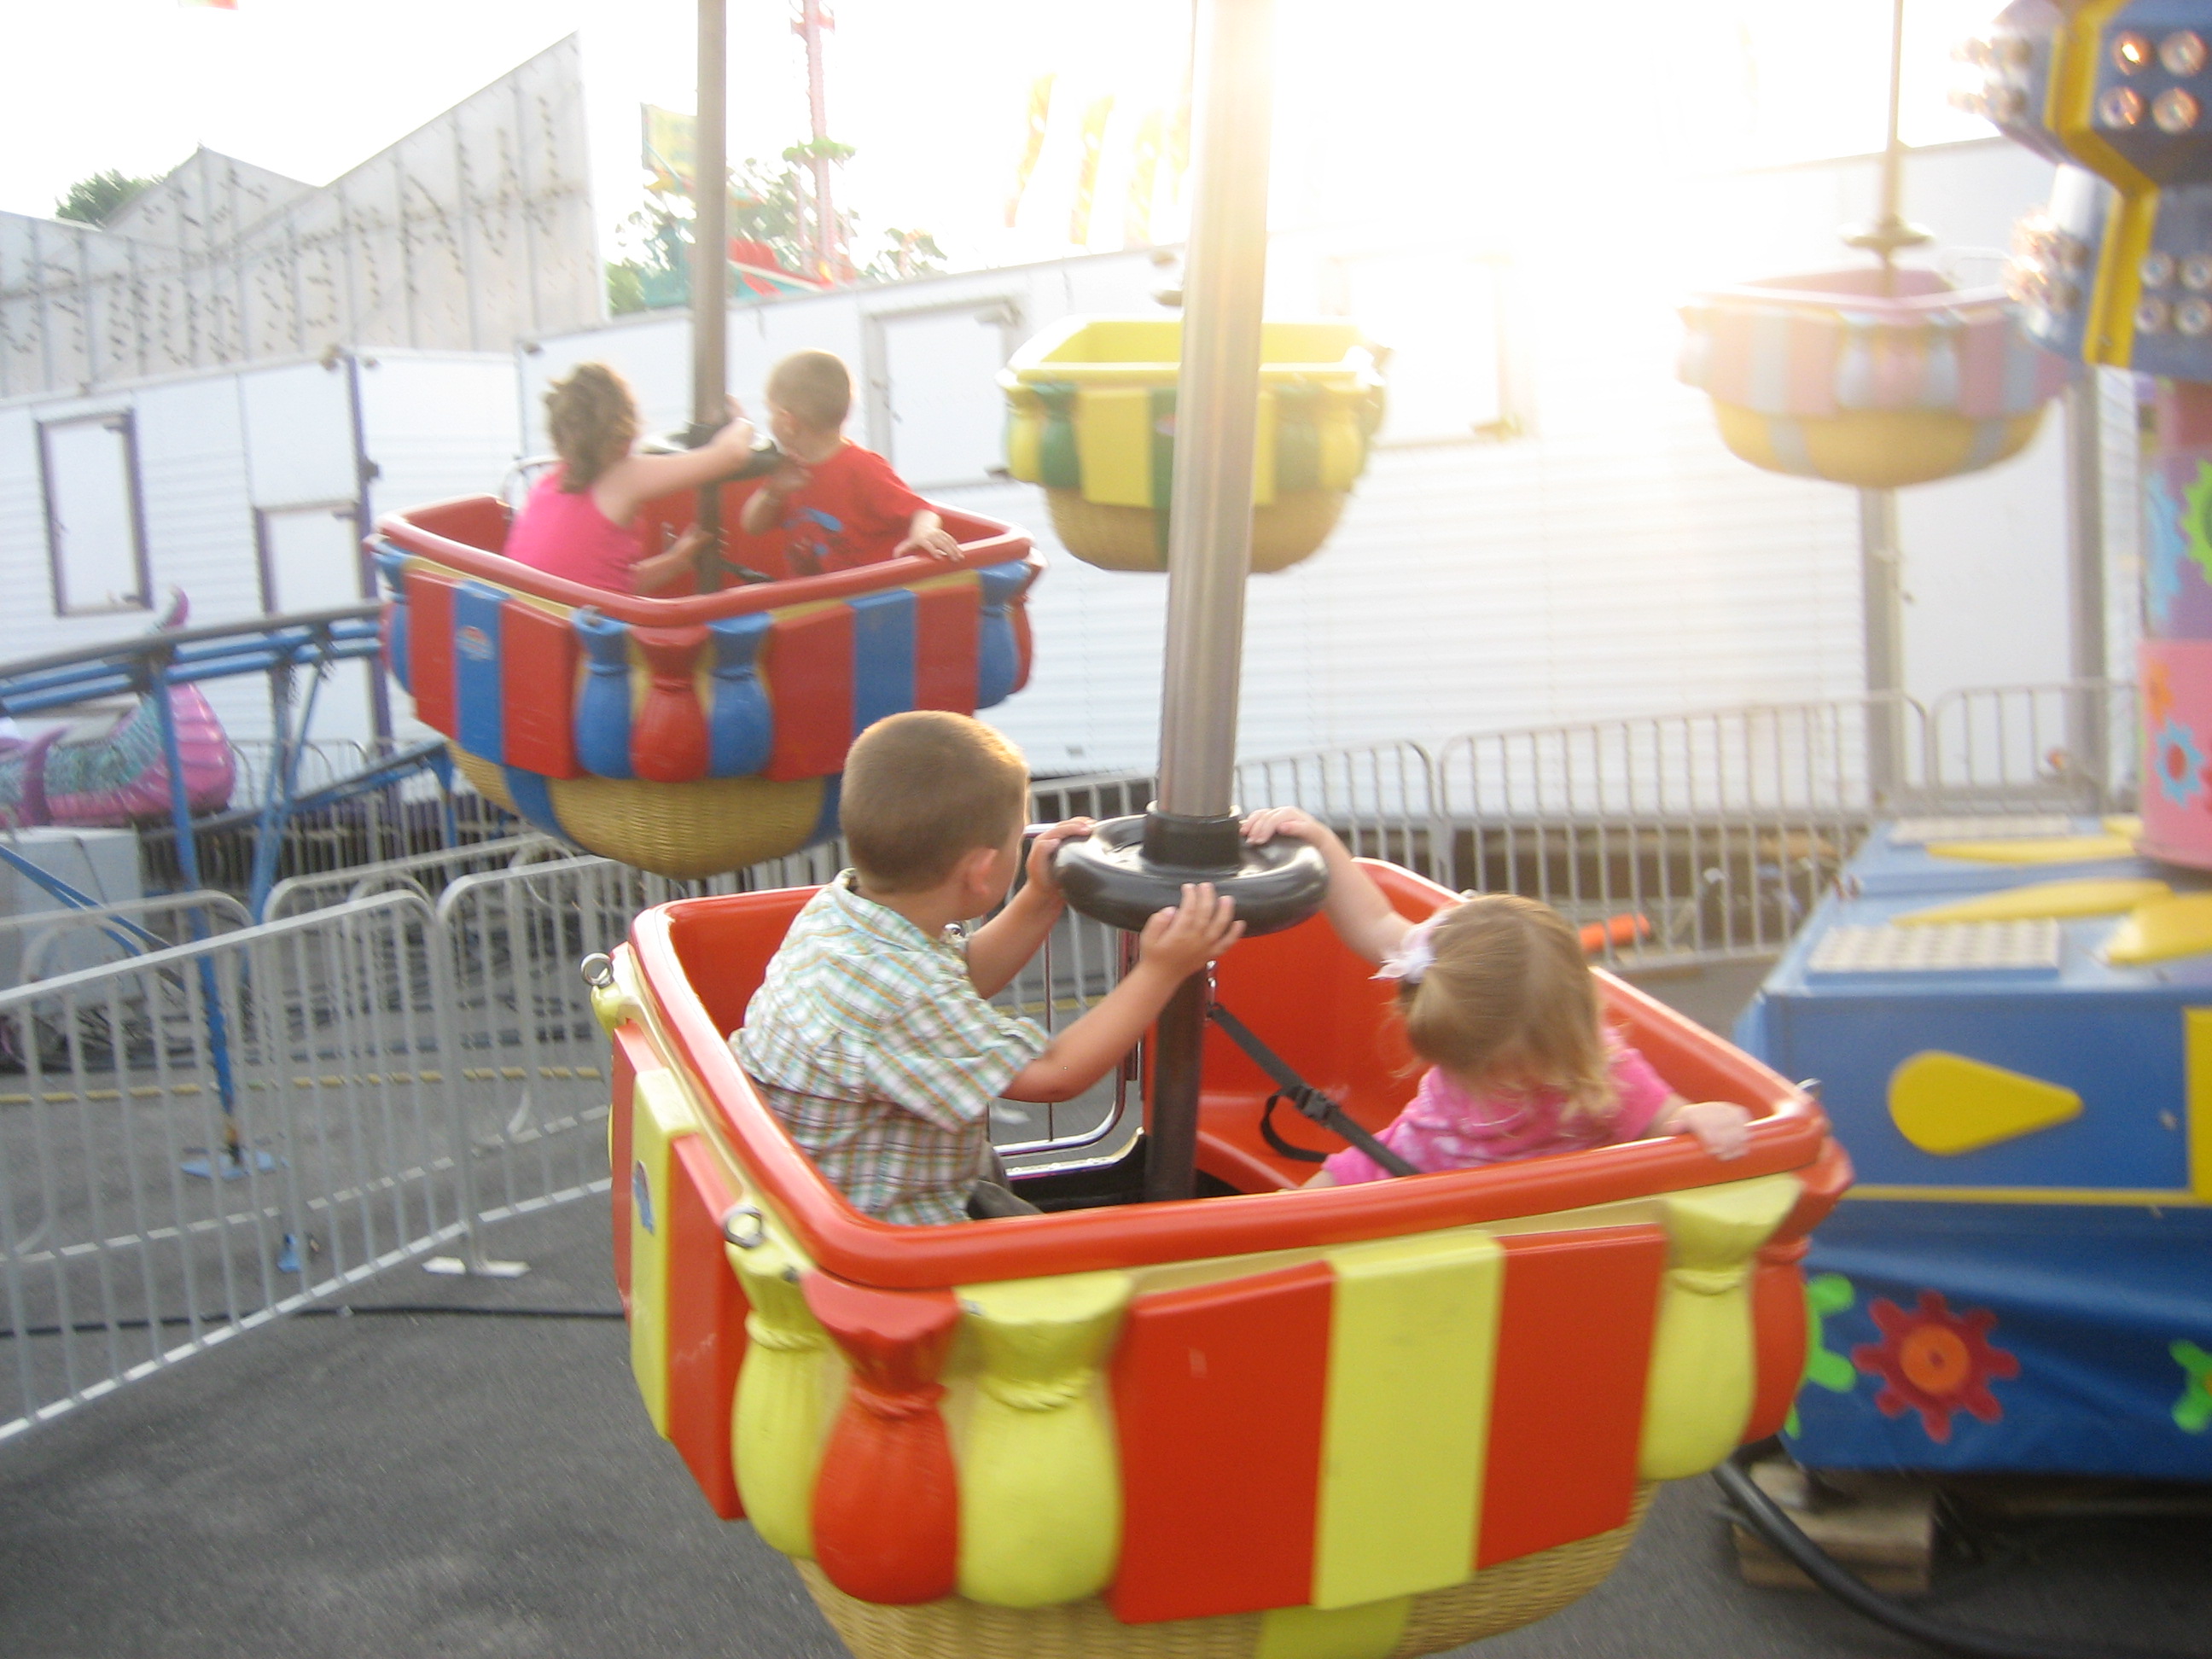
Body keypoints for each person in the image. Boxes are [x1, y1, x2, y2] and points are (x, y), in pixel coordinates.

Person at [736, 711, 1244, 1225]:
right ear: (981, 871)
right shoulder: (904, 997)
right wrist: (1161, 970)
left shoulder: (843, 916)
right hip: (889, 1234)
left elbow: (963, 975)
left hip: (810, 1196)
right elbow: (1053, 1075)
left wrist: (1041, 896)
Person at [1241, 806, 1754, 1186]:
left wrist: (1695, 1118)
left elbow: (1664, 1118)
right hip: (1414, 1157)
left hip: (1526, 1204)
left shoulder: (1600, 1070)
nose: (1488, 1087)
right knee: (1304, 1207)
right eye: (1470, 1069)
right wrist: (1321, 842)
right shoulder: (1444, 962)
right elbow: (1374, 922)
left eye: (1505, 1071)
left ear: (1564, 1040)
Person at [503, 362, 759, 595]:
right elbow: (731, 456)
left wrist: (675, 561)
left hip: (534, 621)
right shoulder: (623, 477)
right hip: (587, 629)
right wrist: (742, 422)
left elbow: (597, 580)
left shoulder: (545, 485)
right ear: (624, 428)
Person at [738, 349, 963, 575]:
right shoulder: (789, 469)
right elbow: (752, 527)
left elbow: (922, 510)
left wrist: (923, 533)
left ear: (788, 422)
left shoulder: (862, 467)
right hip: (814, 594)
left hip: (867, 593)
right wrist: (774, 492)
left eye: (770, 412)